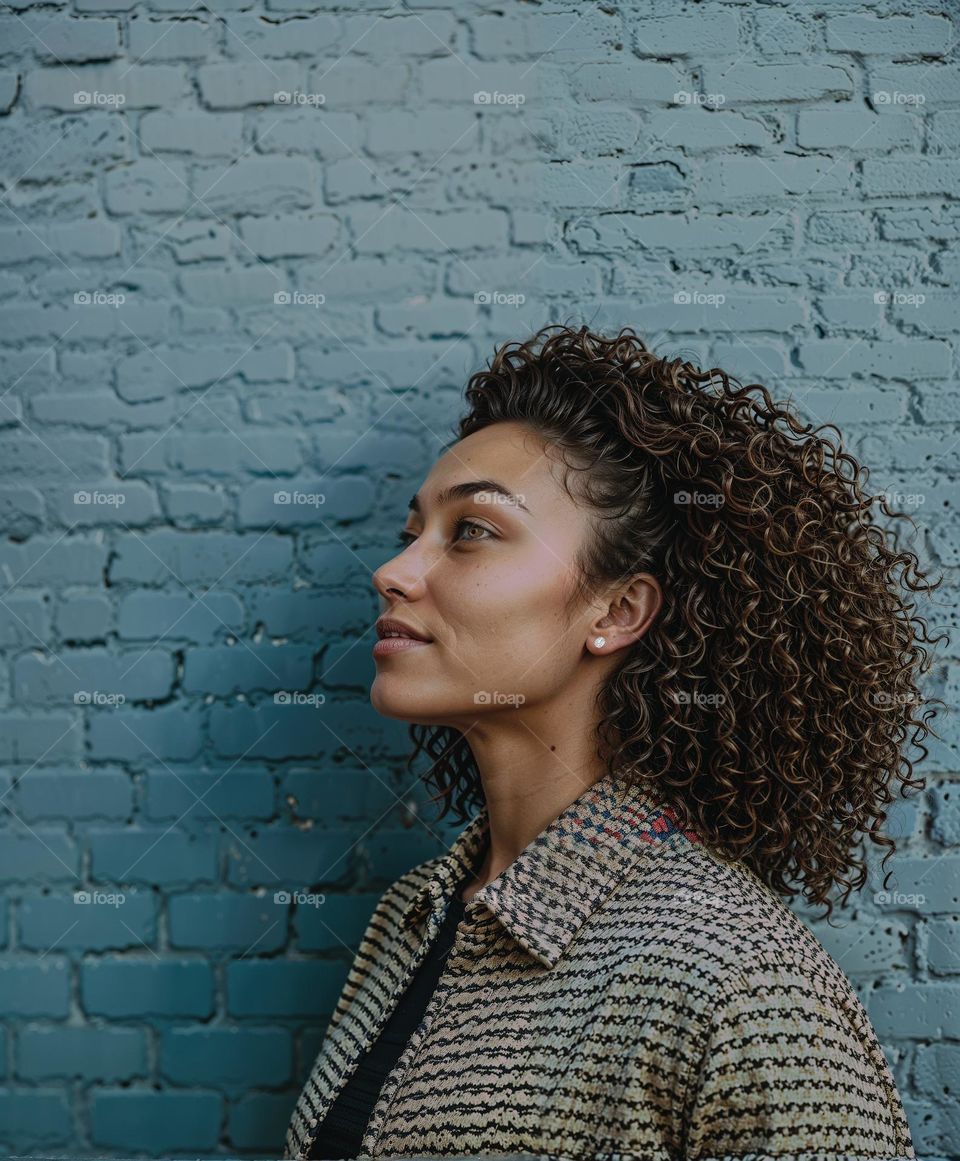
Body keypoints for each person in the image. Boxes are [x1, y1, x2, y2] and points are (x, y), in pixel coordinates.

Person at [283, 324, 942, 1161]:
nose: (397, 570)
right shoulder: (408, 917)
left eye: (472, 530)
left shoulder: (735, 977)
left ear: (618, 611)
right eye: (412, 531)